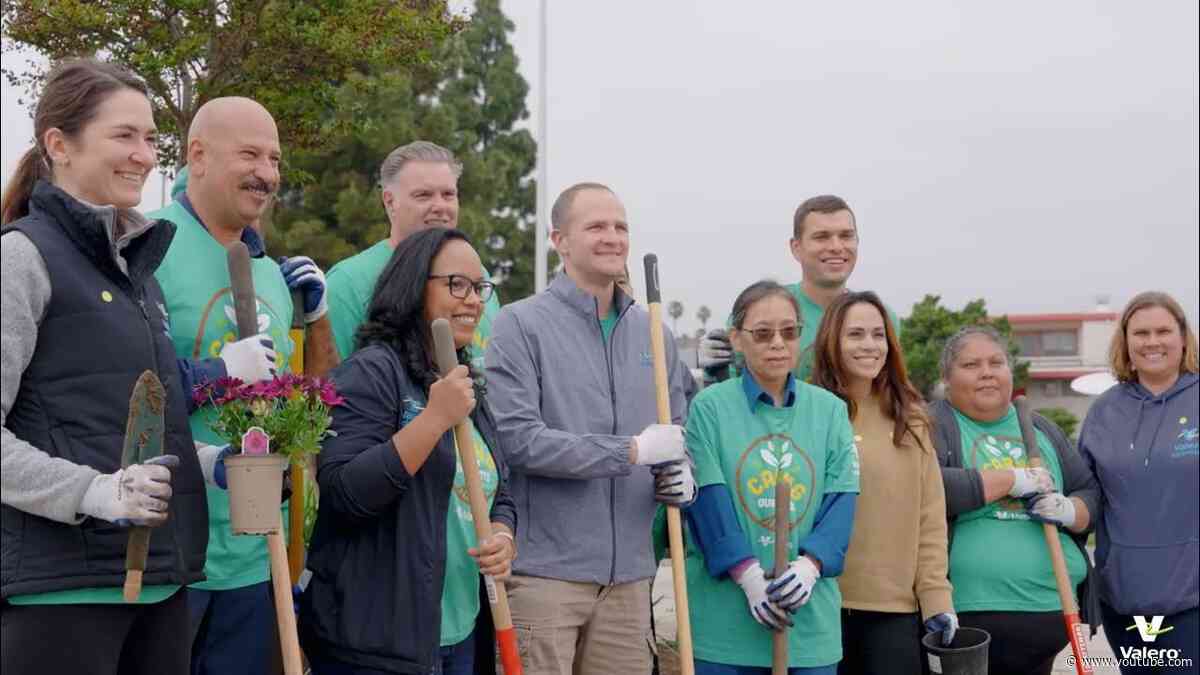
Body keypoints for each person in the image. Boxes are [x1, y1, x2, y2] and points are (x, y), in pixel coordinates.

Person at [0, 58, 207, 675]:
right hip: (61, 598)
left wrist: (211, 465)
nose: (144, 155)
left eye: (150, 138)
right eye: (124, 135)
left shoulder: (138, 274)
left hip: (158, 586)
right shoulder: (21, 260)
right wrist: (94, 492)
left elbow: (108, 425)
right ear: (58, 144)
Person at [148, 96, 329, 675]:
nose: (267, 173)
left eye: (274, 159)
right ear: (196, 156)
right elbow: (124, 390)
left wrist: (315, 319)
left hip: (256, 556)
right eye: (249, 154)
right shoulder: (148, 248)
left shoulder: (273, 276)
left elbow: (312, 397)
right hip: (168, 559)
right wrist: (220, 370)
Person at [484, 182, 696, 674]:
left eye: (621, 226)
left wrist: (685, 474)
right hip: (545, 581)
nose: (613, 237)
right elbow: (520, 441)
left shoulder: (655, 333)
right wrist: (631, 452)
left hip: (630, 584)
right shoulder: (520, 325)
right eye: (596, 226)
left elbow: (679, 434)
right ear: (559, 240)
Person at [299, 227, 517, 675]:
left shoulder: (465, 379)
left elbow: (502, 487)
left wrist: (502, 535)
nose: (473, 300)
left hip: (459, 633)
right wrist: (434, 419)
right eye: (457, 284)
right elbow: (344, 493)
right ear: (414, 285)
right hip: (378, 646)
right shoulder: (373, 373)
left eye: (480, 287)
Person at [931, 326, 1100, 675]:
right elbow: (923, 488)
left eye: (997, 362)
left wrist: (1068, 510)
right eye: (971, 365)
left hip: (1052, 613)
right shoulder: (931, 424)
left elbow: (1090, 494)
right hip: (969, 621)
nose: (987, 372)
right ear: (947, 378)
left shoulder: (1041, 429)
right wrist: (1011, 480)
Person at [808, 292, 955, 675]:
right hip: (818, 606)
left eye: (878, 335)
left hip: (893, 614)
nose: (870, 345)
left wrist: (937, 599)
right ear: (831, 341)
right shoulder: (808, 413)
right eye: (856, 334)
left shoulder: (912, 420)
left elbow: (930, 520)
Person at [1078, 291, 1198, 673]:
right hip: (1124, 599)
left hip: (1192, 600)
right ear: (1126, 342)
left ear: (1183, 337)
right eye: (1140, 333)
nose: (1152, 342)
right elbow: (1087, 493)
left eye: (1163, 331)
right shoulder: (1104, 411)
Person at [325, 141, 501, 367]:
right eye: (424, 195)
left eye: (448, 194)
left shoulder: (479, 278)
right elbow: (328, 388)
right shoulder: (347, 283)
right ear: (390, 201)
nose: (440, 206)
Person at [698, 195, 898, 386]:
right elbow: (730, 395)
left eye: (846, 236)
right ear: (796, 247)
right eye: (822, 237)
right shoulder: (758, 310)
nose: (836, 246)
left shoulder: (881, 318)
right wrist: (713, 371)